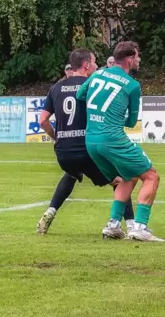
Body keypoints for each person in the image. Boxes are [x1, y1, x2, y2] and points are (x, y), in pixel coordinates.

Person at [36, 49, 134, 235]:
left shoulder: (56, 87)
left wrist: (58, 137)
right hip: (87, 150)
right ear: (86, 65)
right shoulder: (92, 85)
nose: (97, 66)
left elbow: (42, 120)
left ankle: (50, 211)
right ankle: (130, 225)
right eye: (95, 62)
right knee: (121, 180)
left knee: (71, 174)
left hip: (63, 152)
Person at [77, 41, 164, 242]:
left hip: (91, 141)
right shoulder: (132, 85)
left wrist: (98, 115)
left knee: (129, 177)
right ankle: (140, 227)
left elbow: (81, 95)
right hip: (112, 138)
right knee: (151, 176)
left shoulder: (97, 74)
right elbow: (132, 122)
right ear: (130, 58)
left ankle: (113, 225)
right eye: (138, 56)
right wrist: (113, 118)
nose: (139, 60)